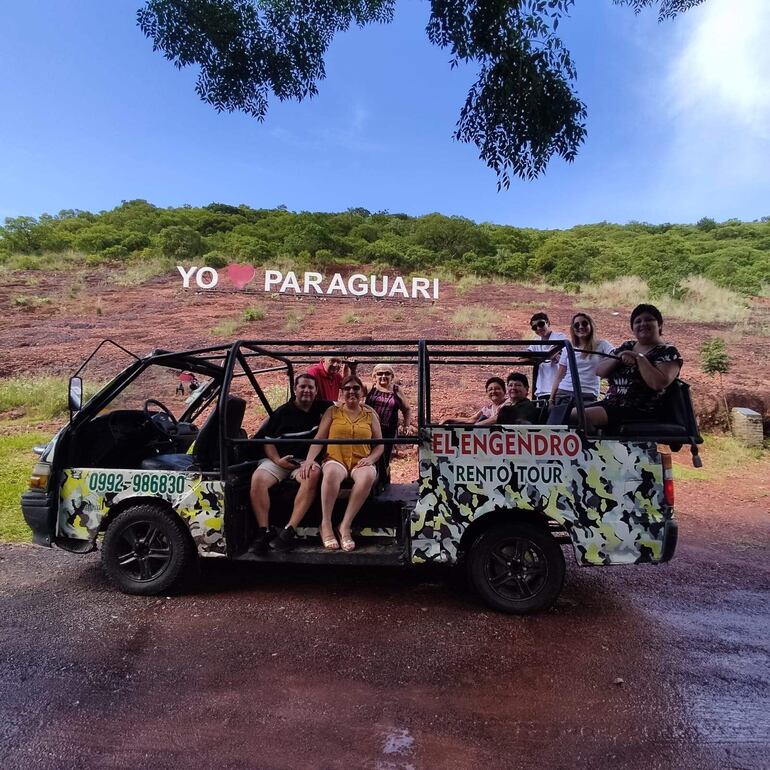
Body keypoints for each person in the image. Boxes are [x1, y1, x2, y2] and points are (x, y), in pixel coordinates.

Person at [298, 375, 383, 552]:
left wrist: (371, 459)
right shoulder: (333, 412)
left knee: (368, 475)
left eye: (356, 388)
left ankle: (345, 525)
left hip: (361, 460)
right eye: (347, 388)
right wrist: (309, 459)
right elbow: (320, 438)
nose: (351, 391)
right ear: (341, 392)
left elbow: (380, 444)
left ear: (362, 392)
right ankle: (326, 524)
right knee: (330, 473)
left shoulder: (370, 414)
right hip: (336, 459)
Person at [249, 373, 332, 552]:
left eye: (311, 387)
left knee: (312, 474)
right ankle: (264, 530)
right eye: (302, 386)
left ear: (316, 391)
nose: (306, 391)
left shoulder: (324, 408)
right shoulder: (282, 412)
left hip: (306, 461)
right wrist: (277, 460)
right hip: (281, 459)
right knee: (258, 479)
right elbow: (268, 440)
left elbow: (348, 405)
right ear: (295, 389)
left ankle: (289, 529)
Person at [584, 304, 683, 430]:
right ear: (633, 328)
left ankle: (597, 445)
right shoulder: (627, 346)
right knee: (562, 413)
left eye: (649, 319)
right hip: (612, 403)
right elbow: (599, 371)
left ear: (660, 325)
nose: (643, 324)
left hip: (641, 409)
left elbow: (657, 383)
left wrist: (638, 358)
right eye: (638, 321)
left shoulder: (668, 352)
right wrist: (620, 356)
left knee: (579, 416)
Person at [551, 312, 614, 405]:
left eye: (584, 323)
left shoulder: (602, 345)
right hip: (564, 393)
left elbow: (616, 355)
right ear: (573, 329)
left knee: (585, 418)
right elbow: (559, 376)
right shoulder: (568, 348)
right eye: (576, 325)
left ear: (591, 325)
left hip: (588, 394)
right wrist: (551, 398)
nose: (580, 327)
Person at [365, 363, 411, 467]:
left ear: (392, 376)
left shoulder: (396, 390)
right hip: (369, 429)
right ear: (374, 376)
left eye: (387, 373)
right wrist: (351, 368)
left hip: (388, 431)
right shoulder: (369, 388)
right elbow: (352, 387)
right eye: (379, 373)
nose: (383, 376)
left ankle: (384, 481)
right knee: (368, 456)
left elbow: (407, 409)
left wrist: (406, 425)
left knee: (384, 459)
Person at [527, 313, 567, 403]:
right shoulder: (536, 341)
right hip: (542, 389)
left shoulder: (559, 337)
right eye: (534, 327)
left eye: (541, 324)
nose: (538, 328)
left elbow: (554, 351)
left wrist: (537, 357)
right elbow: (523, 357)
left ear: (548, 323)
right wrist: (546, 356)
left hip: (559, 388)